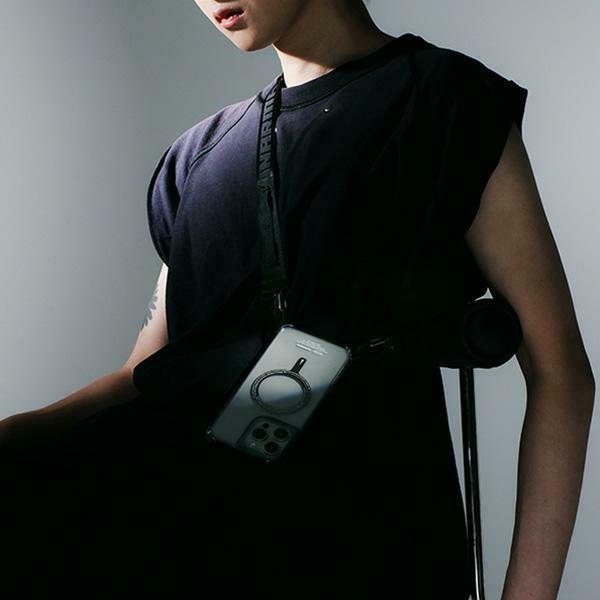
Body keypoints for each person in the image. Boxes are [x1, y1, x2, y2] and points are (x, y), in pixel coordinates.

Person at [0, 1, 594, 598]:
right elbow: (141, 374)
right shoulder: (197, 157)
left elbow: (560, 373)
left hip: (369, 544)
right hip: (183, 534)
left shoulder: (442, 99)